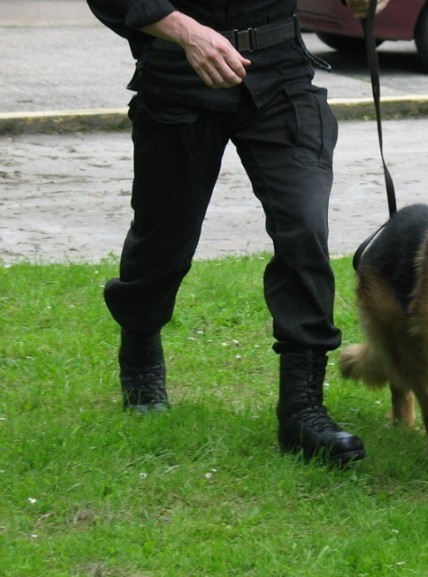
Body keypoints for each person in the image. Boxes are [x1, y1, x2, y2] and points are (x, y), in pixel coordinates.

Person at [87, 0, 389, 466]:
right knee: (163, 236)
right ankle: (141, 344)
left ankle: (302, 409)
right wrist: (186, 31)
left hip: (280, 72)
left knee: (304, 227)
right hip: (178, 74)